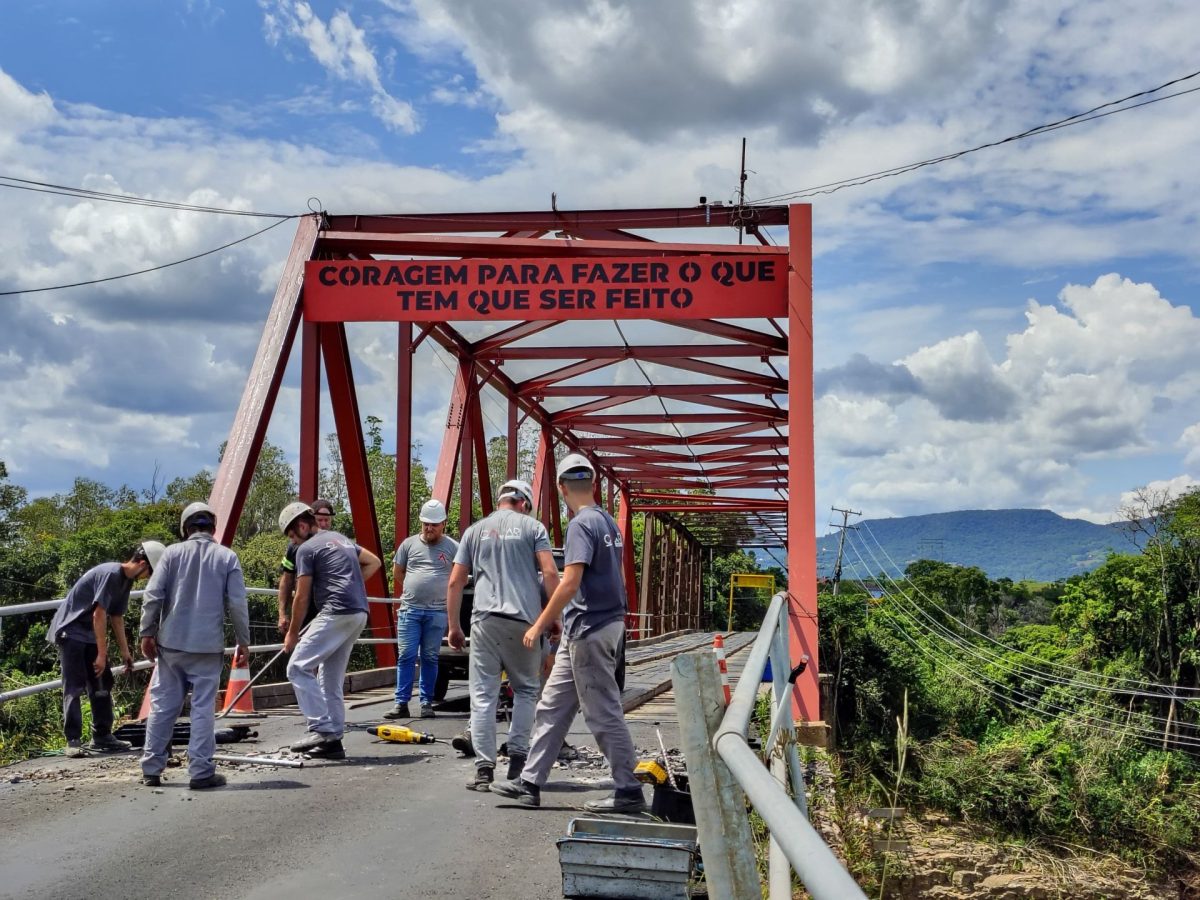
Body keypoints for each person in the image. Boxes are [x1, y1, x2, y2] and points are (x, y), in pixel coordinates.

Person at [492, 454, 645, 813]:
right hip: (590, 629)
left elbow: (571, 581)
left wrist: (540, 622)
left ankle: (628, 790)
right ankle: (529, 783)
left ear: (561, 488)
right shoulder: (607, 521)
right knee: (552, 708)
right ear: (592, 483)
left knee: (602, 712)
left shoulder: (581, 525)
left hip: (590, 629)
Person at [447, 479, 559, 791]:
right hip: (524, 623)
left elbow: (455, 582)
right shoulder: (533, 528)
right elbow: (550, 573)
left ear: (499, 501)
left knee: (483, 694)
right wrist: (554, 618)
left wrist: (454, 626)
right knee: (525, 691)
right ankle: (518, 760)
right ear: (524, 502)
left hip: (484, 622)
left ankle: (484, 769)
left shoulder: (474, 531)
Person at [139, 503, 250, 789]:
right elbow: (237, 603)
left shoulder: (171, 553)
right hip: (207, 647)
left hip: (171, 644)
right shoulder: (227, 557)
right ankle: (201, 772)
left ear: (185, 528)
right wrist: (243, 641)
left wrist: (147, 633)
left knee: (163, 706)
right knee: (202, 710)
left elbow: (153, 595)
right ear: (212, 529)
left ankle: (152, 769)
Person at [280, 502, 381, 759]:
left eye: (292, 535)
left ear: (302, 525)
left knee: (297, 667)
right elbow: (373, 562)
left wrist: (292, 633)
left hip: (337, 612)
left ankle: (321, 727)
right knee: (330, 677)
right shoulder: (341, 539)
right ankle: (333, 741)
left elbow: (301, 597)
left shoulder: (306, 549)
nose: (292, 542)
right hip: (358, 612)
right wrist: (350, 583)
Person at [47, 541, 165, 757]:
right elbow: (98, 614)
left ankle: (102, 735)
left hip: (89, 633)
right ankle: (72, 741)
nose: (148, 578)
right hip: (71, 631)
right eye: (150, 572)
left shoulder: (125, 582)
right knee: (74, 685)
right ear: (141, 563)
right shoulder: (112, 574)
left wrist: (125, 652)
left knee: (102, 681)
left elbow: (116, 616)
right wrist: (102, 653)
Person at [385, 499, 458, 720]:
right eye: (426, 523)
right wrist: (414, 586)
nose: (429, 528)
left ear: (443, 523)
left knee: (430, 657)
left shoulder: (453, 547)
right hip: (410, 610)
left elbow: (458, 576)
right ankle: (401, 703)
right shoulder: (408, 545)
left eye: (434, 524)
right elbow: (398, 572)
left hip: (437, 612)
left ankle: (426, 702)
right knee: (406, 655)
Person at [277, 498, 335, 635]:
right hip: (304, 616)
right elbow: (286, 580)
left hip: (329, 615)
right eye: (320, 520)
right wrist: (282, 613)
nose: (323, 524)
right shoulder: (294, 547)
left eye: (327, 520)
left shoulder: (334, 544)